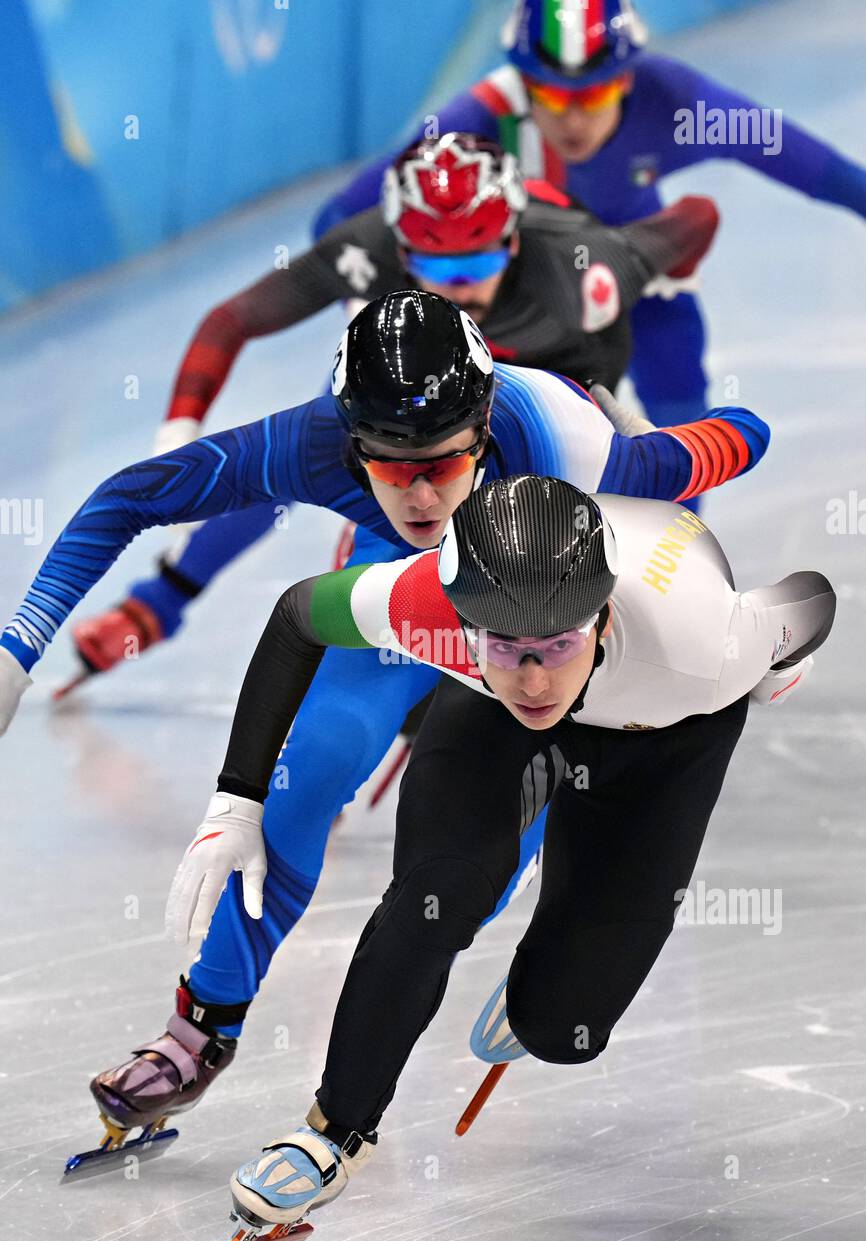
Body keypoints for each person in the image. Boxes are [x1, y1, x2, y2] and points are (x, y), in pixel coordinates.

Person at [0, 291, 768, 1153]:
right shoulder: (314, 440)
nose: (417, 492)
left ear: (483, 431)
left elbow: (735, 437)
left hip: (517, 643)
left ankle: (546, 973)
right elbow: (128, 498)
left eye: (441, 464)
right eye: (387, 465)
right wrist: (16, 647)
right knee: (317, 763)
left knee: (468, 870)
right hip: (396, 600)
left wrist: (729, 609)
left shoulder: (569, 446)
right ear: (349, 440)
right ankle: (199, 1031)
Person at [164, 474, 835, 1241]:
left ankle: (539, 991)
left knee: (564, 1029)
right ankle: (335, 1132)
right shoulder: (422, 604)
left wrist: (775, 668)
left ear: (603, 615)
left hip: (667, 726)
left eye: (556, 646)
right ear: (462, 623)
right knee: (431, 901)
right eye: (508, 648)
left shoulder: (711, 643)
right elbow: (295, 617)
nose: (535, 678)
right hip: (493, 724)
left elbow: (810, 598)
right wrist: (237, 801)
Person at [64, 132, 718, 683]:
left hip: (559, 372)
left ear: (514, 241)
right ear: (401, 252)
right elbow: (232, 320)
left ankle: (675, 601)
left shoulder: (585, 261)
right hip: (418, 374)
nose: (459, 284)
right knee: (300, 448)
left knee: (624, 476)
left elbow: (696, 217)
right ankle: (159, 603)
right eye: (436, 261)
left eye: (480, 257)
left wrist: (672, 271)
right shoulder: (364, 247)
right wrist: (178, 427)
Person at [314, 0, 866, 429]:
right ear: (524, 83)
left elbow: (817, 168)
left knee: (678, 416)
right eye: (552, 98)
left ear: (627, 79)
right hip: (516, 295)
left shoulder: (676, 102)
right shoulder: (478, 121)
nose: (574, 119)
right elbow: (337, 217)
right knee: (340, 425)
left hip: (636, 271)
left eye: (595, 94)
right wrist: (372, 309)